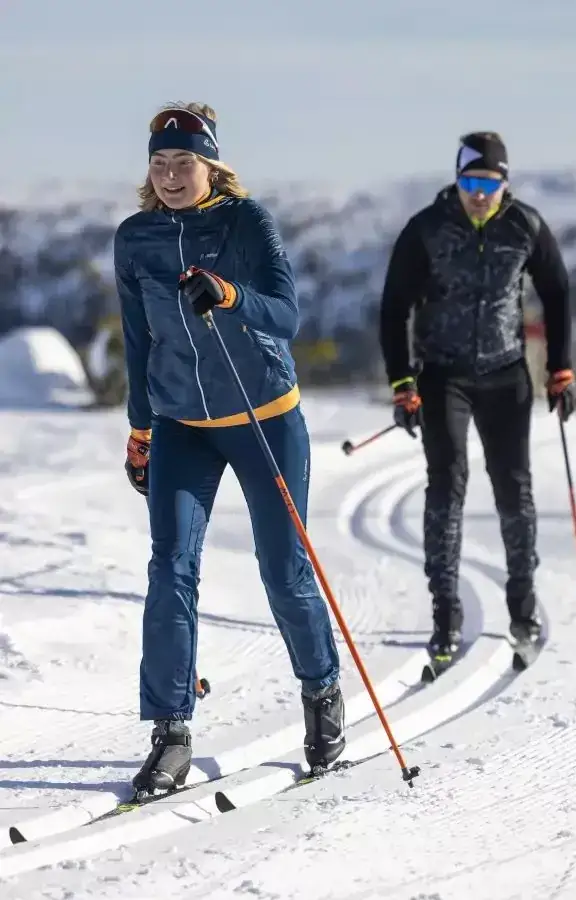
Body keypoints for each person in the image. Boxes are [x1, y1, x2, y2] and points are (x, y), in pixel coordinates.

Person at [114, 102, 345, 793]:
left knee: (282, 569)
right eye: (160, 164)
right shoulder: (135, 239)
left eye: (184, 163)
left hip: (264, 416)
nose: (171, 176)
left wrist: (229, 292)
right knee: (171, 567)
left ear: (211, 165)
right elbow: (136, 341)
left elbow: (286, 313)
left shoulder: (246, 222)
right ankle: (172, 730)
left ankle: (322, 692)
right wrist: (139, 427)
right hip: (182, 423)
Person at [378, 131, 576, 657]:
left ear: (504, 183)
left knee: (515, 491)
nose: (480, 193)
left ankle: (522, 607)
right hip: (443, 377)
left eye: (489, 183)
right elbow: (394, 305)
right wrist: (403, 385)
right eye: (471, 181)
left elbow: (556, 292)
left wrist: (560, 369)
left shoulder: (524, 226)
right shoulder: (426, 229)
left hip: (507, 373)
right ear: (457, 179)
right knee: (447, 487)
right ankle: (445, 614)